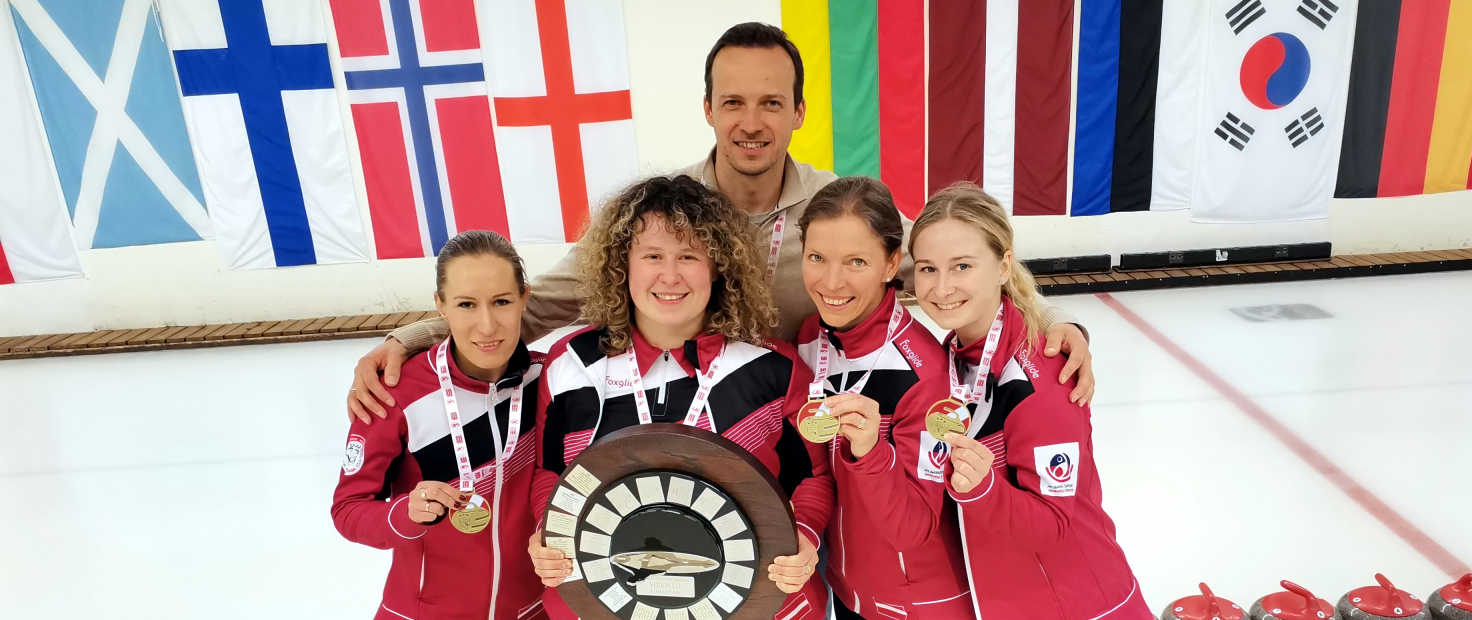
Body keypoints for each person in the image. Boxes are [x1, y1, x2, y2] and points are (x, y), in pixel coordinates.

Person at [347, 22, 1095, 425]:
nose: (751, 122)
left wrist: (1057, 326)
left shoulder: (842, 208)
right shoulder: (662, 219)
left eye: (771, 102)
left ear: (799, 111)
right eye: (733, 102)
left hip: (822, 422)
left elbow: (953, 270)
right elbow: (535, 301)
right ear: (708, 108)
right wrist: (403, 338)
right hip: (701, 427)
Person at [522, 176, 831, 619]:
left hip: (755, 603)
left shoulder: (773, 369)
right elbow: (550, 472)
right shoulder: (570, 364)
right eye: (652, 256)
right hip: (603, 603)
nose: (670, 276)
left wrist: (804, 534)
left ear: (718, 266)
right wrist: (547, 530)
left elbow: (812, 478)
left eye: (689, 256)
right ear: (621, 264)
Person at [909, 184, 1146, 620]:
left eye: (962, 266)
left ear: (1002, 265)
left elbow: (1052, 525)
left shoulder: (1045, 378)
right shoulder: (953, 357)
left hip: (1080, 605)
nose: (941, 288)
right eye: (927, 269)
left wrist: (983, 490)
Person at [331, 231, 547, 620]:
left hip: (532, 610)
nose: (486, 326)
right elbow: (348, 510)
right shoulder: (394, 393)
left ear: (524, 299)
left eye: (501, 302)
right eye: (466, 304)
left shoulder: (551, 380)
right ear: (441, 306)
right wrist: (404, 512)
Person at [790, 177, 974, 620]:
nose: (831, 282)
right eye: (816, 258)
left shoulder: (925, 375)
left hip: (919, 604)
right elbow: (820, 473)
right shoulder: (812, 337)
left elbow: (914, 529)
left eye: (856, 261)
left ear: (892, 263)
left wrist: (872, 453)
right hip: (848, 590)